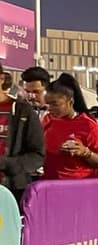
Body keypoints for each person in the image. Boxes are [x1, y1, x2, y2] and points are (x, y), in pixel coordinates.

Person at [40, 74, 98, 180]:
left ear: (70, 102)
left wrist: (85, 152)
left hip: (76, 185)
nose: (50, 109)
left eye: (55, 104)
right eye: (47, 104)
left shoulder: (89, 125)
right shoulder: (47, 119)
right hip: (50, 183)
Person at [1, 63, 46, 205]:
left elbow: (37, 155)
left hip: (11, 189)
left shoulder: (23, 111)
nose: (32, 96)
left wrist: (8, 164)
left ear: (1, 79)